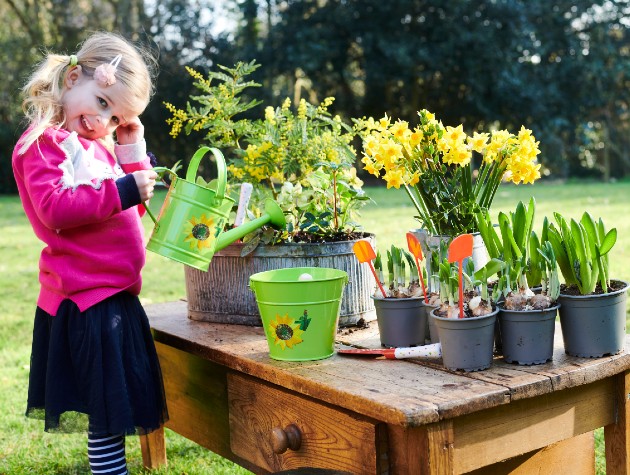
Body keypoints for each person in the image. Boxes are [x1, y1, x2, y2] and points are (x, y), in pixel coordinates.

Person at [12, 31, 168, 475]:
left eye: (115, 117)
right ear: (74, 77)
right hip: (86, 299)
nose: (104, 121)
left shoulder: (96, 144)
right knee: (106, 408)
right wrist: (121, 188)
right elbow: (56, 208)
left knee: (115, 403)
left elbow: (135, 203)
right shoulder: (44, 143)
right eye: (102, 102)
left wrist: (131, 148)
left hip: (114, 293)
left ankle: (111, 468)